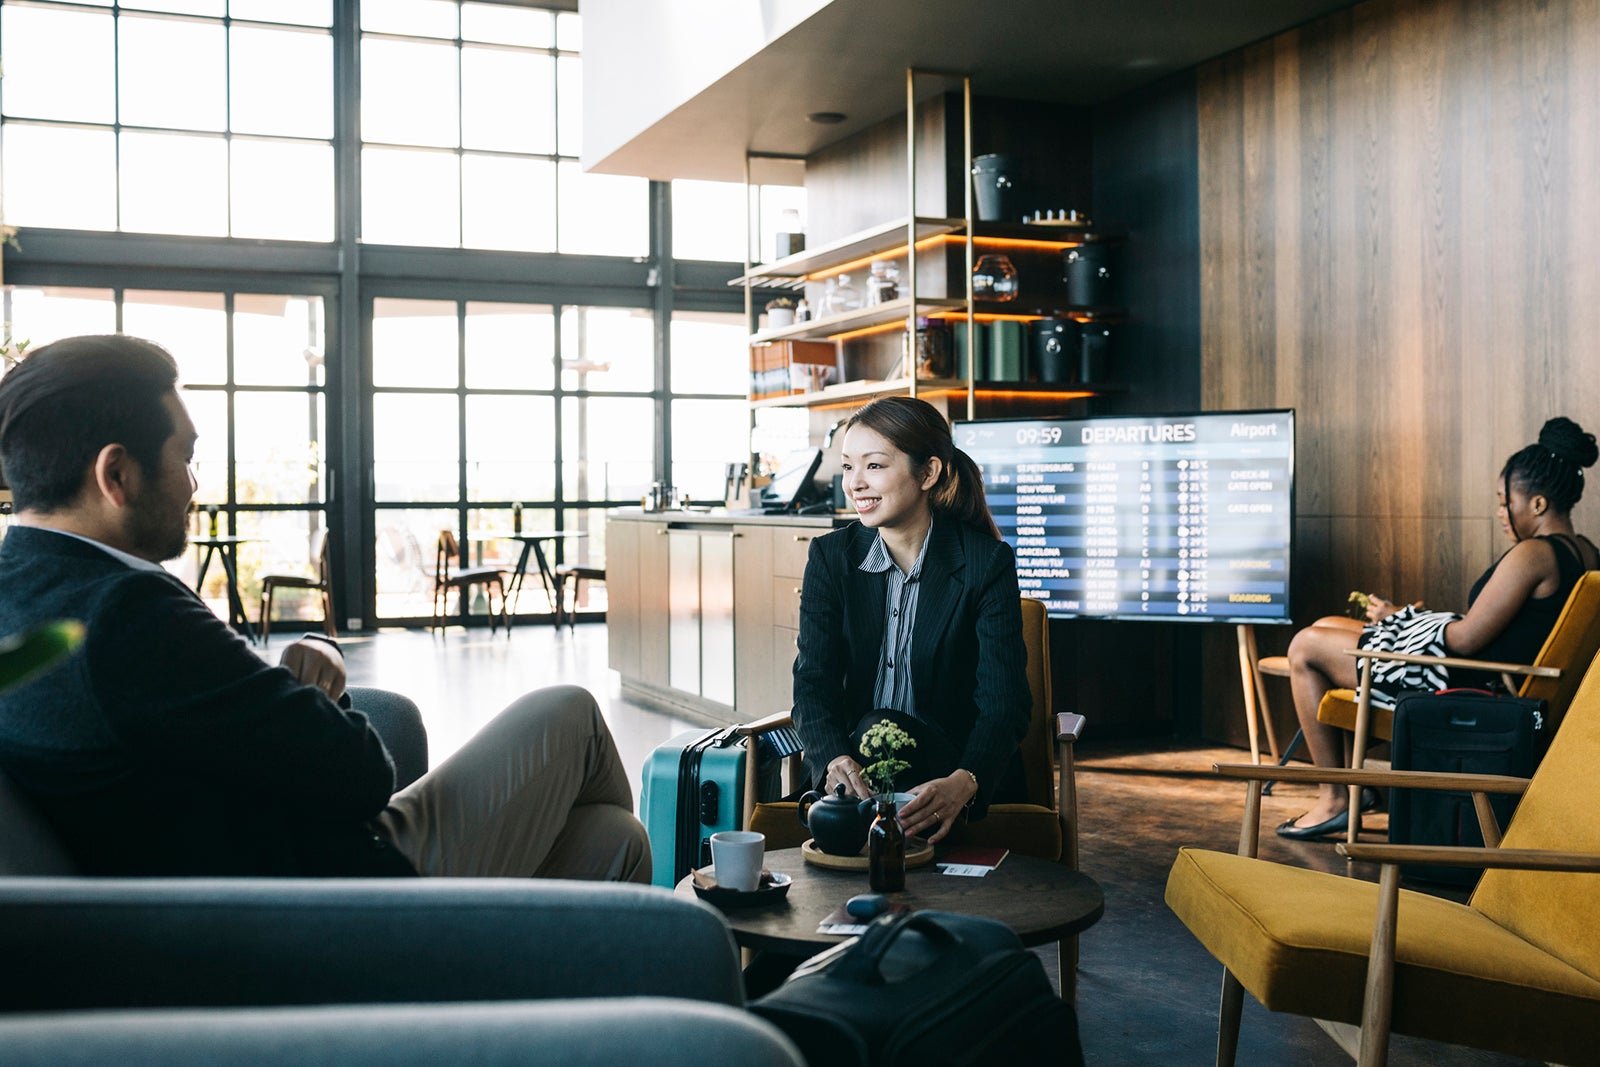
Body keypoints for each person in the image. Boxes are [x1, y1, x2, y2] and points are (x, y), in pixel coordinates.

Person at [0, 334, 649, 881]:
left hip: (250, 882)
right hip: (339, 900)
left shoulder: (25, 589)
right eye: (186, 456)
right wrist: (318, 689)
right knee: (573, 714)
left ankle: (579, 988)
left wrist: (286, 684)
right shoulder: (129, 610)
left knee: (616, 840)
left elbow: (201, 725)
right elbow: (360, 772)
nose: (194, 485)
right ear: (117, 475)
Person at [1278, 416, 1599, 839]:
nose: (1501, 513)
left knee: (1305, 646)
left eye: (1506, 502)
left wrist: (1399, 618)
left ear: (1537, 505)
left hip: (1476, 687)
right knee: (1327, 626)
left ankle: (1335, 799)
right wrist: (1404, 618)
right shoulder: (1587, 553)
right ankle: (1355, 792)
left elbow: (1466, 637)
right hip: (1492, 675)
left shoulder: (1533, 555)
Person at [791, 395, 1031, 845]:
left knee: (880, 727)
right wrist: (832, 761)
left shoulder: (985, 563)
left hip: (948, 769)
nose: (854, 484)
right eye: (847, 467)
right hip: (854, 774)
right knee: (869, 734)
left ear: (929, 472)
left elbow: (1005, 702)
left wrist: (966, 779)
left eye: (874, 466)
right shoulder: (830, 558)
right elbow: (812, 683)